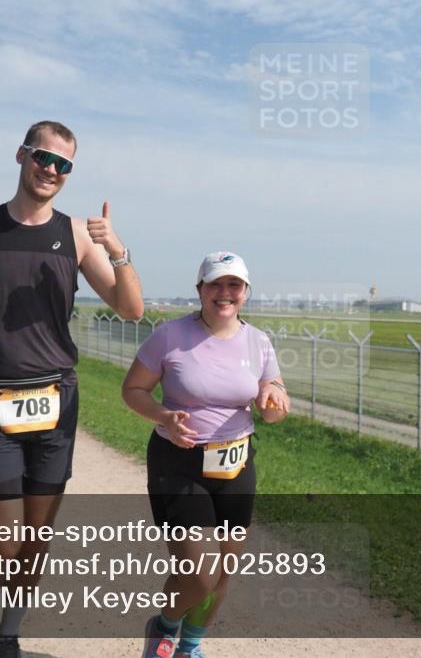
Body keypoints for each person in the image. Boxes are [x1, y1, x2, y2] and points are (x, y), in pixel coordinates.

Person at [0, 120, 143, 658]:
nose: (51, 170)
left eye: (63, 165)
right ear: (21, 155)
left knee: (36, 537)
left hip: (55, 398)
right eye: (43, 158)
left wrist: (117, 250)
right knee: (2, 538)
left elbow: (131, 309)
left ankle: (11, 630)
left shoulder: (73, 236)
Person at [122, 251, 289, 658]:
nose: (224, 293)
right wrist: (164, 415)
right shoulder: (170, 336)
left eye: (234, 285)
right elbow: (133, 390)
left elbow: (275, 400)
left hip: (236, 463)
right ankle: (164, 627)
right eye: (215, 284)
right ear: (200, 290)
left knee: (224, 573)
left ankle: (190, 647)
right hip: (179, 462)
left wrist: (273, 400)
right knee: (197, 575)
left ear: (246, 292)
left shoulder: (258, 341)